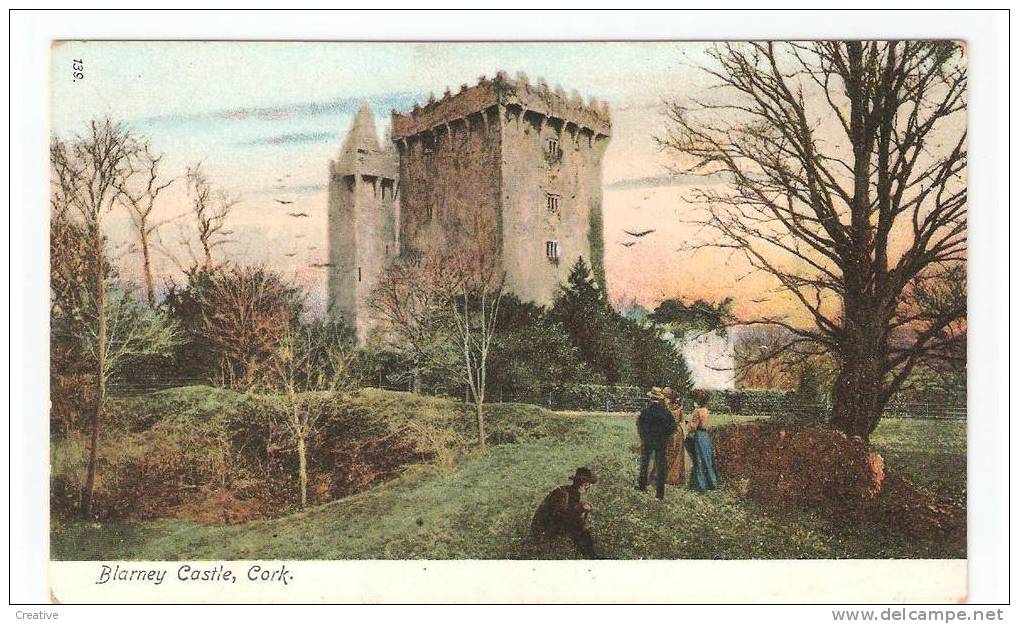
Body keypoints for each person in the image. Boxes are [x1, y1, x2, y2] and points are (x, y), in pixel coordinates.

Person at [530, 467, 599, 559]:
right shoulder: (562, 493)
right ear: (582, 482)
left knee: (581, 526)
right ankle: (591, 557)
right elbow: (561, 514)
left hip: (553, 525)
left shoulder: (574, 494)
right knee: (579, 526)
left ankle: (590, 556)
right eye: (587, 483)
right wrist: (580, 508)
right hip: (544, 528)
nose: (589, 486)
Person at [636, 386, 678, 499]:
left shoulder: (646, 411)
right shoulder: (665, 412)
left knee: (644, 463)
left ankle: (642, 486)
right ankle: (660, 493)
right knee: (661, 466)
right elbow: (673, 427)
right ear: (660, 399)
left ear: (650, 398)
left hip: (648, 441)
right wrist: (665, 436)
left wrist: (644, 437)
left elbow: (639, 425)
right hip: (661, 442)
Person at [651, 390, 688, 486]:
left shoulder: (665, 408)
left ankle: (669, 477)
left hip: (671, 432)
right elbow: (682, 421)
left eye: (665, 398)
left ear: (669, 399)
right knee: (673, 454)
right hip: (676, 432)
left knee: (668, 453)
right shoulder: (679, 408)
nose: (664, 399)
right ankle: (671, 477)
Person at [686, 389, 719, 492]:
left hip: (698, 436)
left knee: (698, 460)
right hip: (705, 436)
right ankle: (711, 483)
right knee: (707, 459)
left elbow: (693, 427)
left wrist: (688, 423)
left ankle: (700, 485)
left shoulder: (697, 411)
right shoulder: (706, 410)